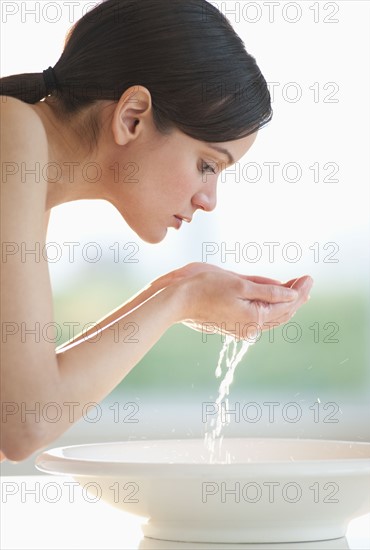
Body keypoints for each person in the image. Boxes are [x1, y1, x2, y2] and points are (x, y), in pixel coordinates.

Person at [0, 0, 312, 462]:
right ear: (133, 116)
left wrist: (175, 289)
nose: (209, 199)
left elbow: (16, 405)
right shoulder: (13, 132)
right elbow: (25, 425)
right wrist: (179, 299)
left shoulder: (29, 165)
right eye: (208, 165)